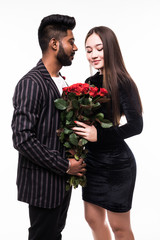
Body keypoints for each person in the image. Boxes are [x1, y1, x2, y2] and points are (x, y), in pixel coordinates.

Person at [11, 14, 86, 240]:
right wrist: (65, 165)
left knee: (54, 235)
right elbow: (22, 138)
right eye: (71, 42)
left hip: (60, 184)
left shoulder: (61, 81)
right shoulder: (32, 83)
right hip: (43, 185)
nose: (75, 48)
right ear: (54, 44)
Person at [72, 26, 143, 240]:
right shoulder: (89, 83)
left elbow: (136, 125)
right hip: (92, 162)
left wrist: (99, 136)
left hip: (117, 166)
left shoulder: (123, 82)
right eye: (88, 50)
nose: (93, 55)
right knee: (92, 219)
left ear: (111, 48)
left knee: (119, 227)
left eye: (99, 48)